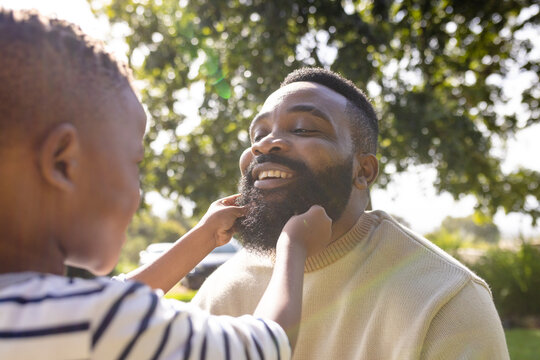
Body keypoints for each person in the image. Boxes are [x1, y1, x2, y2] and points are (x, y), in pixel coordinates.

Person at [0, 9, 334, 359]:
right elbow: (265, 344)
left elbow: (110, 300)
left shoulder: (44, 318)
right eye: (135, 163)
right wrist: (293, 247)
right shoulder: (95, 326)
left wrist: (204, 236)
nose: (139, 191)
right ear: (63, 163)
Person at [192, 67, 511, 359]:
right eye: (258, 135)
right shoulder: (221, 292)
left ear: (363, 170)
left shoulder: (445, 301)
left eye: (303, 129)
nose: (265, 145)